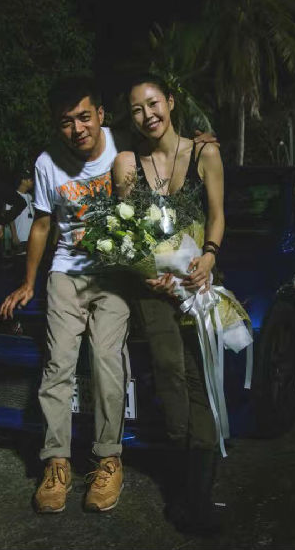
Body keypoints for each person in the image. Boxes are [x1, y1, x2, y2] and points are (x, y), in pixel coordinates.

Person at [0, 76, 131, 514]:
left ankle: (108, 459)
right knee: (58, 365)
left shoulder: (123, 147)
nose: (77, 129)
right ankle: (57, 462)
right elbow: (41, 225)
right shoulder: (46, 163)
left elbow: (167, 153)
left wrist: (200, 144)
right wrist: (29, 282)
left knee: (107, 359)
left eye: (84, 117)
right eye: (66, 121)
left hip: (112, 273)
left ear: (101, 115)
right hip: (65, 272)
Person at [111, 74, 226, 535]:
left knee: (201, 378)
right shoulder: (127, 164)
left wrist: (209, 257)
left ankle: (199, 493)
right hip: (154, 289)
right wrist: (144, 272)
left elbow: (217, 214)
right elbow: (121, 234)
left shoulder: (205, 153)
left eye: (154, 103)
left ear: (171, 102)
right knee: (170, 374)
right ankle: (183, 488)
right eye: (137, 109)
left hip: (197, 282)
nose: (148, 115)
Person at [6, 168, 35, 255]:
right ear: (23, 181)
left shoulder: (30, 197)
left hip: (31, 239)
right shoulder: (12, 196)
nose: (32, 182)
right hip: (20, 239)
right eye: (30, 180)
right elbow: (10, 218)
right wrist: (14, 236)